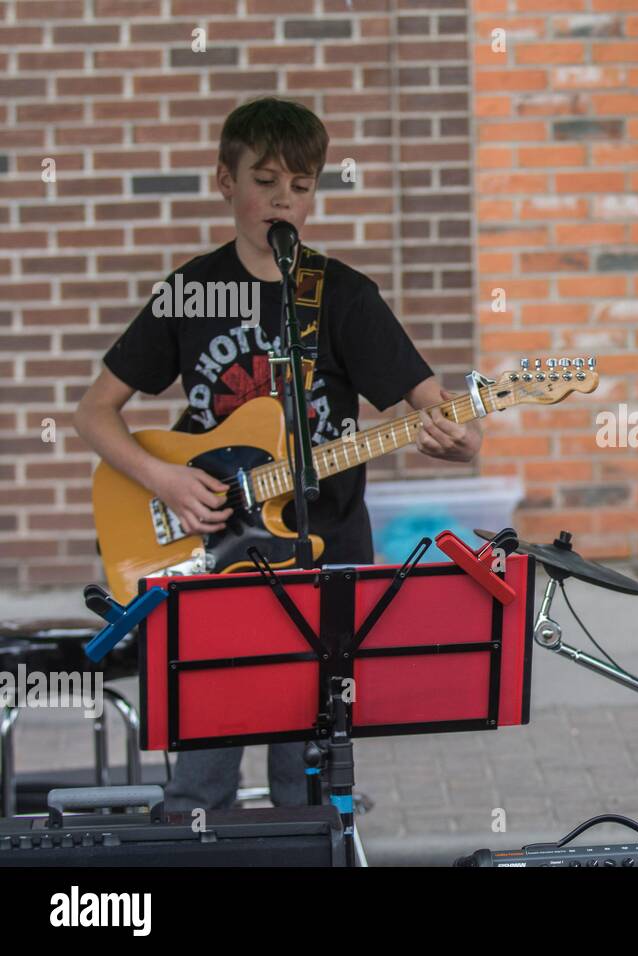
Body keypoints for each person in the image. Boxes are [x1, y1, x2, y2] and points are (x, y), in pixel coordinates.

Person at [72, 96, 483, 812]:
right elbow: (93, 413)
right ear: (225, 182)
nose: (283, 199)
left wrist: (455, 437)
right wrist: (165, 480)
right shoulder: (191, 292)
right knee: (201, 776)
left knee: (311, 775)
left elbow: (439, 415)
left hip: (326, 557)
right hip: (212, 548)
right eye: (265, 180)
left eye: (301, 185)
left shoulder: (345, 296)